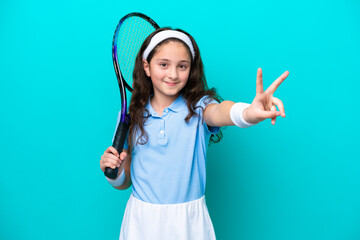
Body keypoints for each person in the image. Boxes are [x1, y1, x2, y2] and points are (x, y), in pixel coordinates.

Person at [100, 27, 289, 240]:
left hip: (189, 223)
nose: (173, 74)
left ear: (191, 70)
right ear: (147, 67)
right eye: (163, 65)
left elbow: (220, 111)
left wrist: (247, 113)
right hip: (141, 222)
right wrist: (114, 173)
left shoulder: (199, 108)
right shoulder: (130, 115)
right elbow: (124, 181)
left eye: (182, 66)